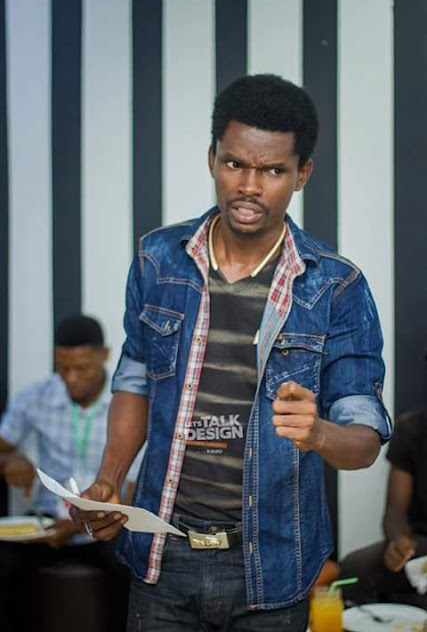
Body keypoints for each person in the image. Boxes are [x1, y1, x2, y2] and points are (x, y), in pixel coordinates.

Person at [71, 74, 392, 632]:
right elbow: (136, 378)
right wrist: (109, 480)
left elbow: (364, 439)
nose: (249, 186)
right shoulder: (158, 260)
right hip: (162, 557)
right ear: (212, 158)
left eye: (273, 171)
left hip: (272, 566)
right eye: (235, 163)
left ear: (301, 174)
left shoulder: (336, 288)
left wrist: (319, 433)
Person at [0, 315, 138, 632]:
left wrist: (77, 525)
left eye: (82, 368)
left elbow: (133, 490)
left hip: (108, 526)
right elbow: (2, 448)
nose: (71, 379)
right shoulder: (35, 397)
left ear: (104, 355)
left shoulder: (128, 406)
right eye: (63, 369)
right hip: (47, 525)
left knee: (133, 566)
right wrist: (12, 459)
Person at [340, 408, 427, 608]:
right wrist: (398, 541)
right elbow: (394, 515)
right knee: (353, 569)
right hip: (420, 547)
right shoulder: (413, 427)